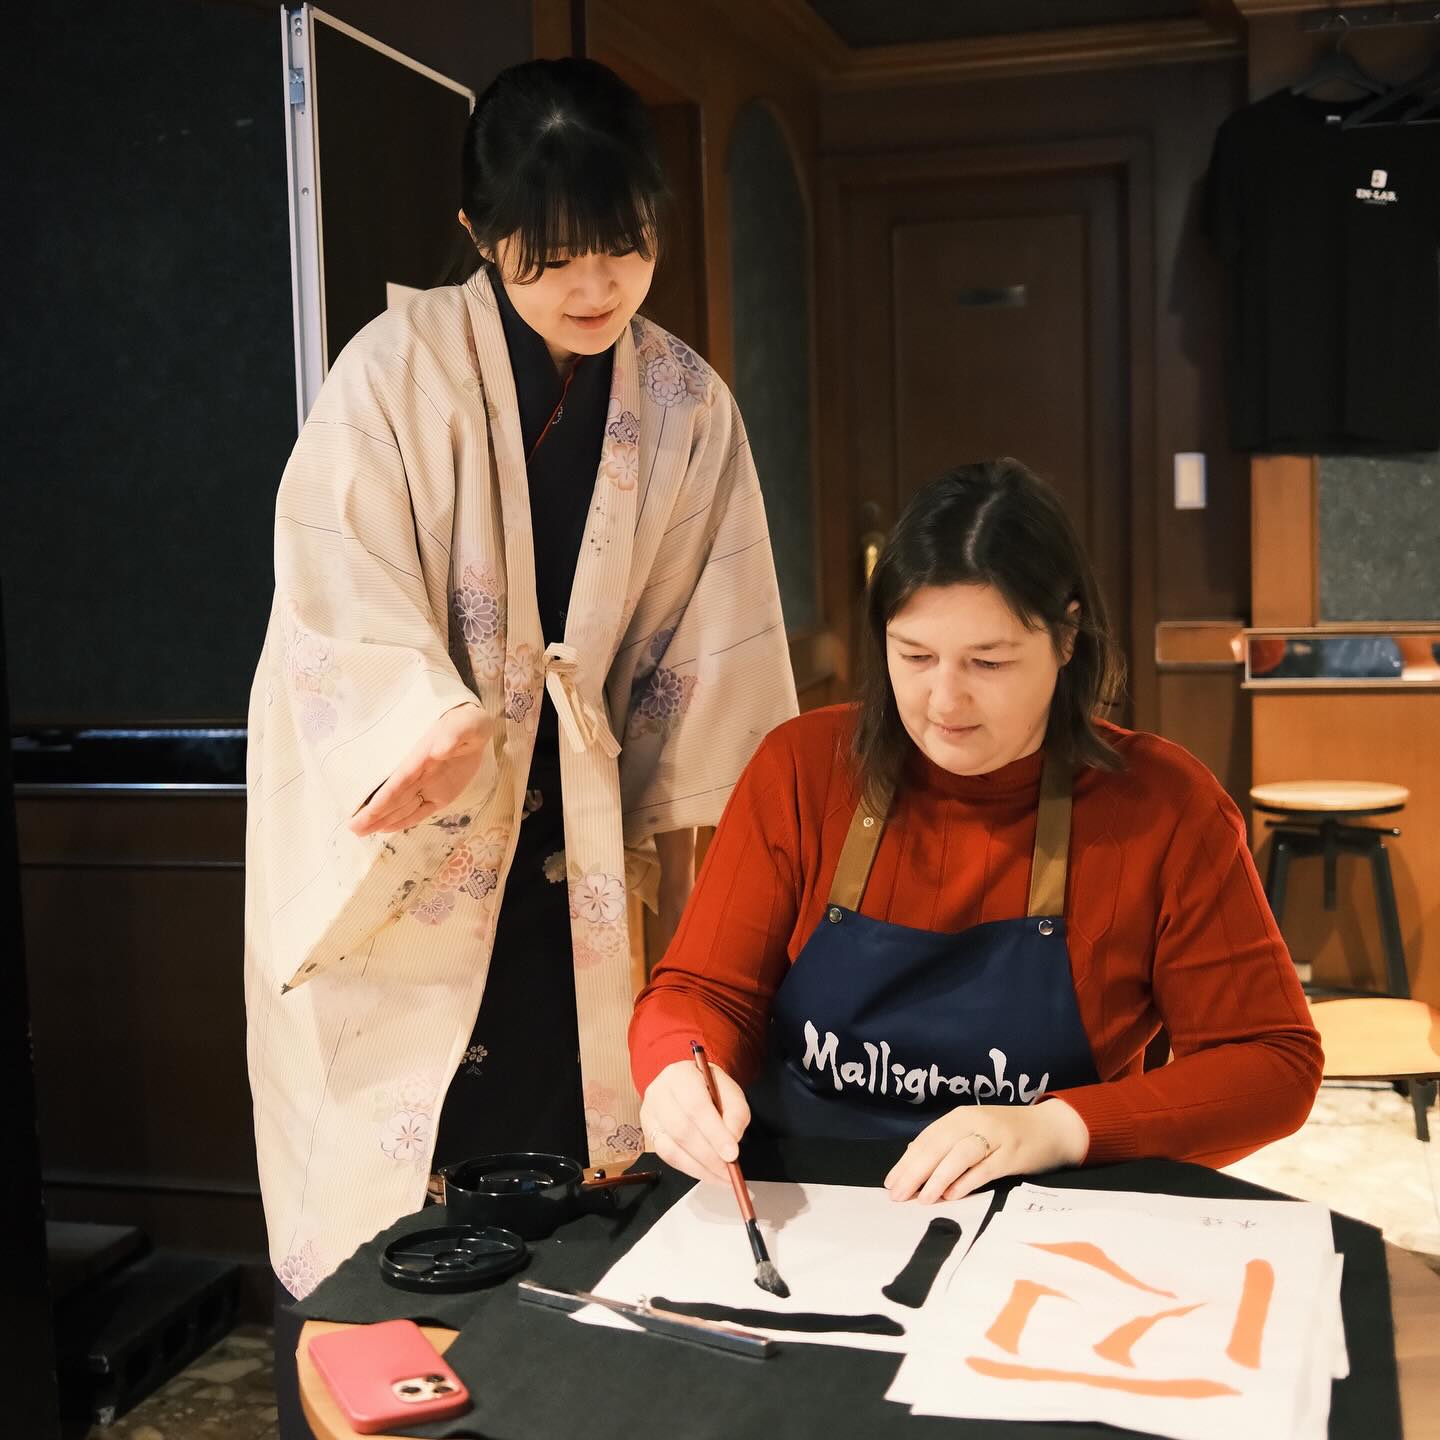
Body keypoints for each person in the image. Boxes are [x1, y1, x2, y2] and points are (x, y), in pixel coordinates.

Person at [246, 57, 796, 1436]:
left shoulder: (684, 405)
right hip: (423, 816)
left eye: (626, 247)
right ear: (482, 238)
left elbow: (711, 640)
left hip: (583, 825)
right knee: (409, 1182)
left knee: (581, 1148)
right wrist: (419, 725)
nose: (598, 286)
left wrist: (728, 843)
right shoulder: (393, 375)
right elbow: (336, 587)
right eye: (553, 258)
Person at [630, 459, 1322, 1206]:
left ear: (1066, 638)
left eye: (988, 662)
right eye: (915, 657)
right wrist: (679, 1067)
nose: (944, 700)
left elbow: (1271, 1064)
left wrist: (1058, 1129)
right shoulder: (802, 770)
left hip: (1044, 1211)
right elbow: (701, 991)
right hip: (802, 1202)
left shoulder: (1163, 807)